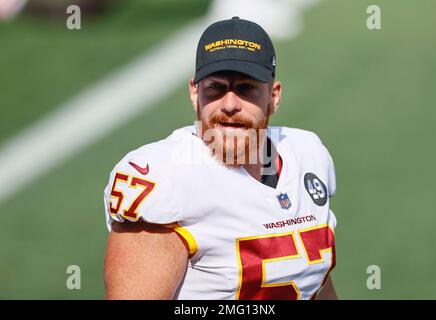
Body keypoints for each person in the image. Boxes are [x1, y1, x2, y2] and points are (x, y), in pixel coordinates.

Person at [103, 17, 337, 300]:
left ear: (273, 96)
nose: (229, 104)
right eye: (215, 87)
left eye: (246, 88)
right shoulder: (166, 178)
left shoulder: (307, 154)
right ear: (194, 92)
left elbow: (313, 280)